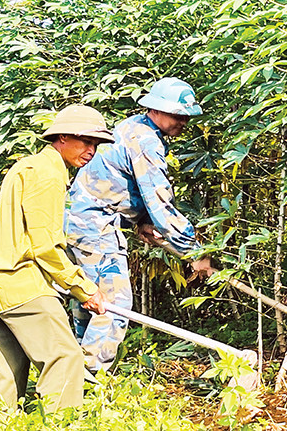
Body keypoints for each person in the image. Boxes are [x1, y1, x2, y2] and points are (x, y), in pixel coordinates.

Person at [65, 77, 215, 374]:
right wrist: (195, 252)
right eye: (177, 115)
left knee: (87, 299)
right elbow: (160, 202)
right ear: (155, 110)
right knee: (113, 304)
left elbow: (127, 185)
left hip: (77, 222)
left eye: (186, 116)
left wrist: (142, 221)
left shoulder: (134, 126)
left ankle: (75, 371)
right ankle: (88, 378)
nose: (183, 121)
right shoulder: (145, 140)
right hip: (95, 225)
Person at [0, 105, 114, 412]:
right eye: (85, 141)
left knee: (6, 378)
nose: (91, 150)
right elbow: (46, 246)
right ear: (62, 137)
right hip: (21, 284)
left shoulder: (27, 166)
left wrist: (7, 243)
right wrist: (85, 289)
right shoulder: (49, 175)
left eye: (95, 144)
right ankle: (60, 424)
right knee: (65, 358)